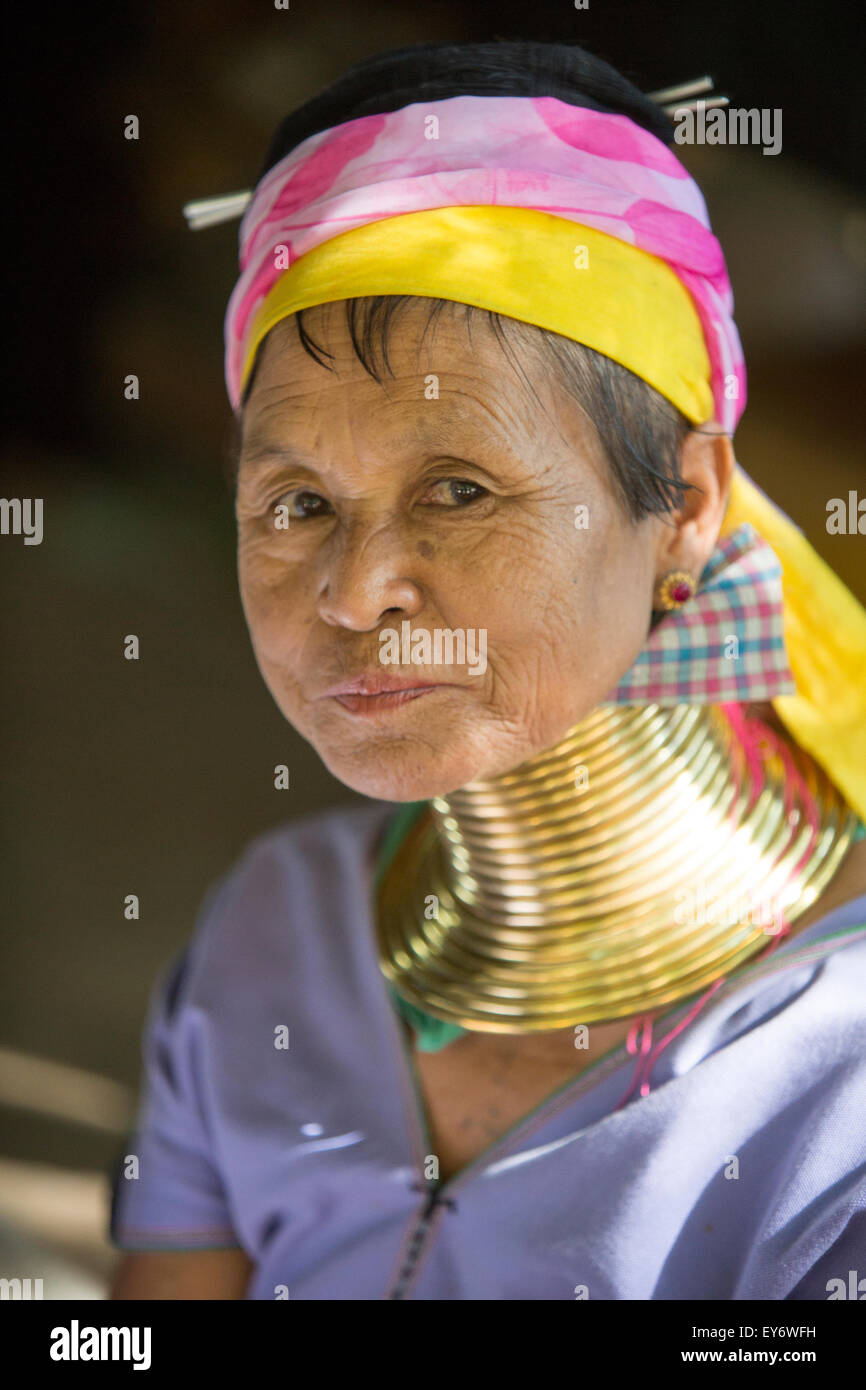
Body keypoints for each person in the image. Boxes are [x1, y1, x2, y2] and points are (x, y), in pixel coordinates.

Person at [107, 38, 866, 1300]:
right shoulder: (270, 931)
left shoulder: (828, 1076)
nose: (354, 591)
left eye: (458, 489)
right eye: (296, 503)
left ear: (682, 505)